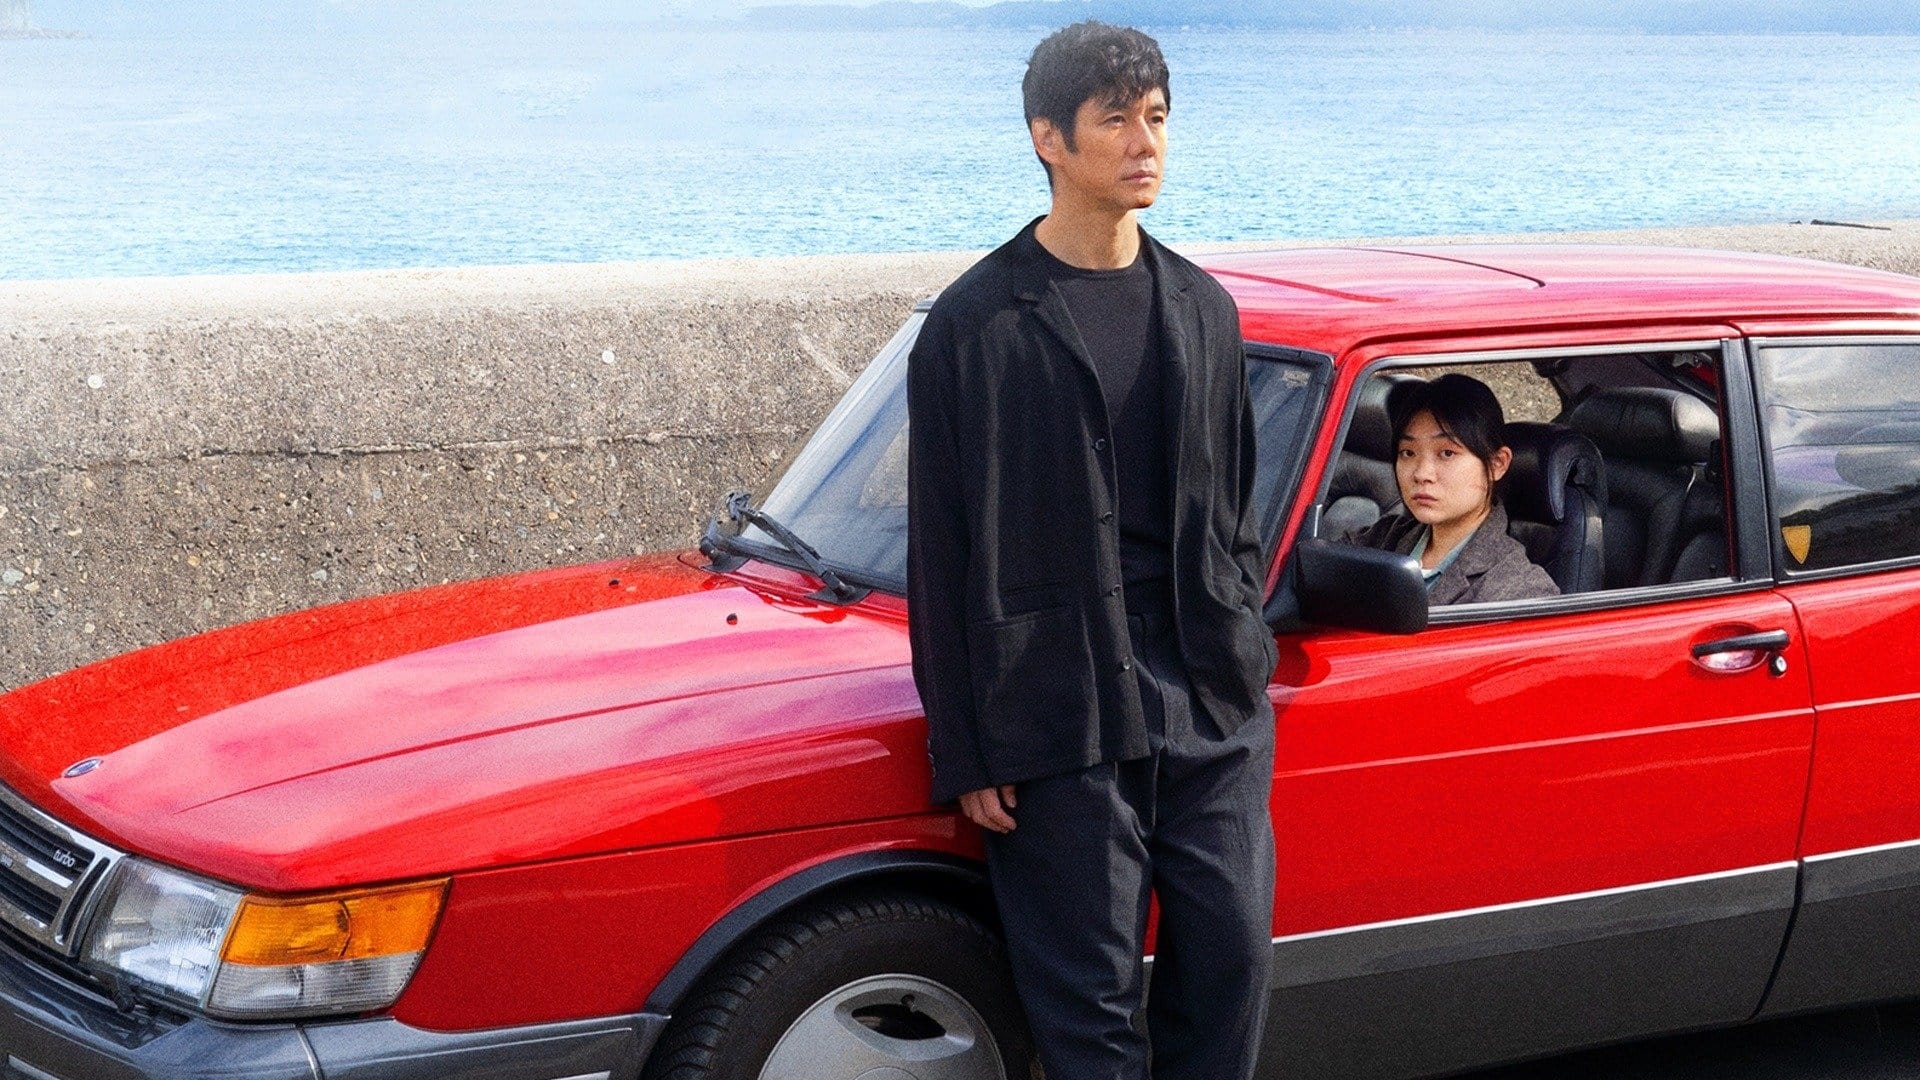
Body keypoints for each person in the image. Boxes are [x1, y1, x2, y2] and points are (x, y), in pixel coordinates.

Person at [905, 20, 1279, 1080]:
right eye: (1115, 119)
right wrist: (967, 747)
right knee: (1090, 1012)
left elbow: (1235, 512)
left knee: (1232, 966)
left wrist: (1243, 649)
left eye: (1156, 118)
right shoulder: (976, 325)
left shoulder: (1203, 308)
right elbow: (941, 548)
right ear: (1049, 139)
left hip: (1207, 697)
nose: (1143, 142)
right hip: (1057, 709)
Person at [1347, 373, 1560, 604]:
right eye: (1408, 452)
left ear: (1496, 464)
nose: (1422, 474)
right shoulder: (1384, 538)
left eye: (1447, 453)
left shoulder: (1520, 591)